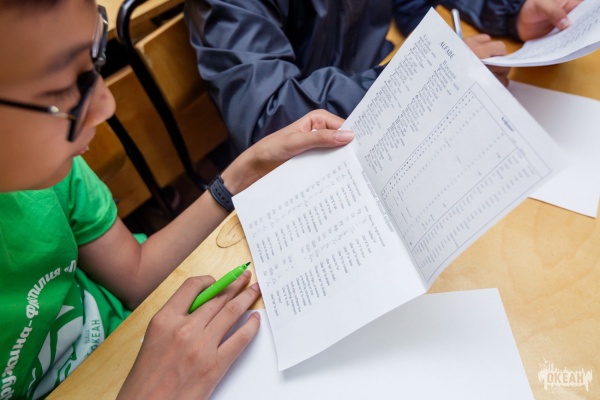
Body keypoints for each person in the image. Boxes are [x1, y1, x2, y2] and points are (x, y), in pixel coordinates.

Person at [0, 0, 355, 399]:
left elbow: (136, 273)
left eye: (95, 59)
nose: (107, 104)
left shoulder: (50, 174)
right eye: (64, 90)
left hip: (143, 343)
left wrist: (242, 173)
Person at [185, 0, 582, 151]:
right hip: (304, 164)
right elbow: (269, 118)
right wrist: (425, 73)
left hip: (377, 122)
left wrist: (511, 13)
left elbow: (409, 4)